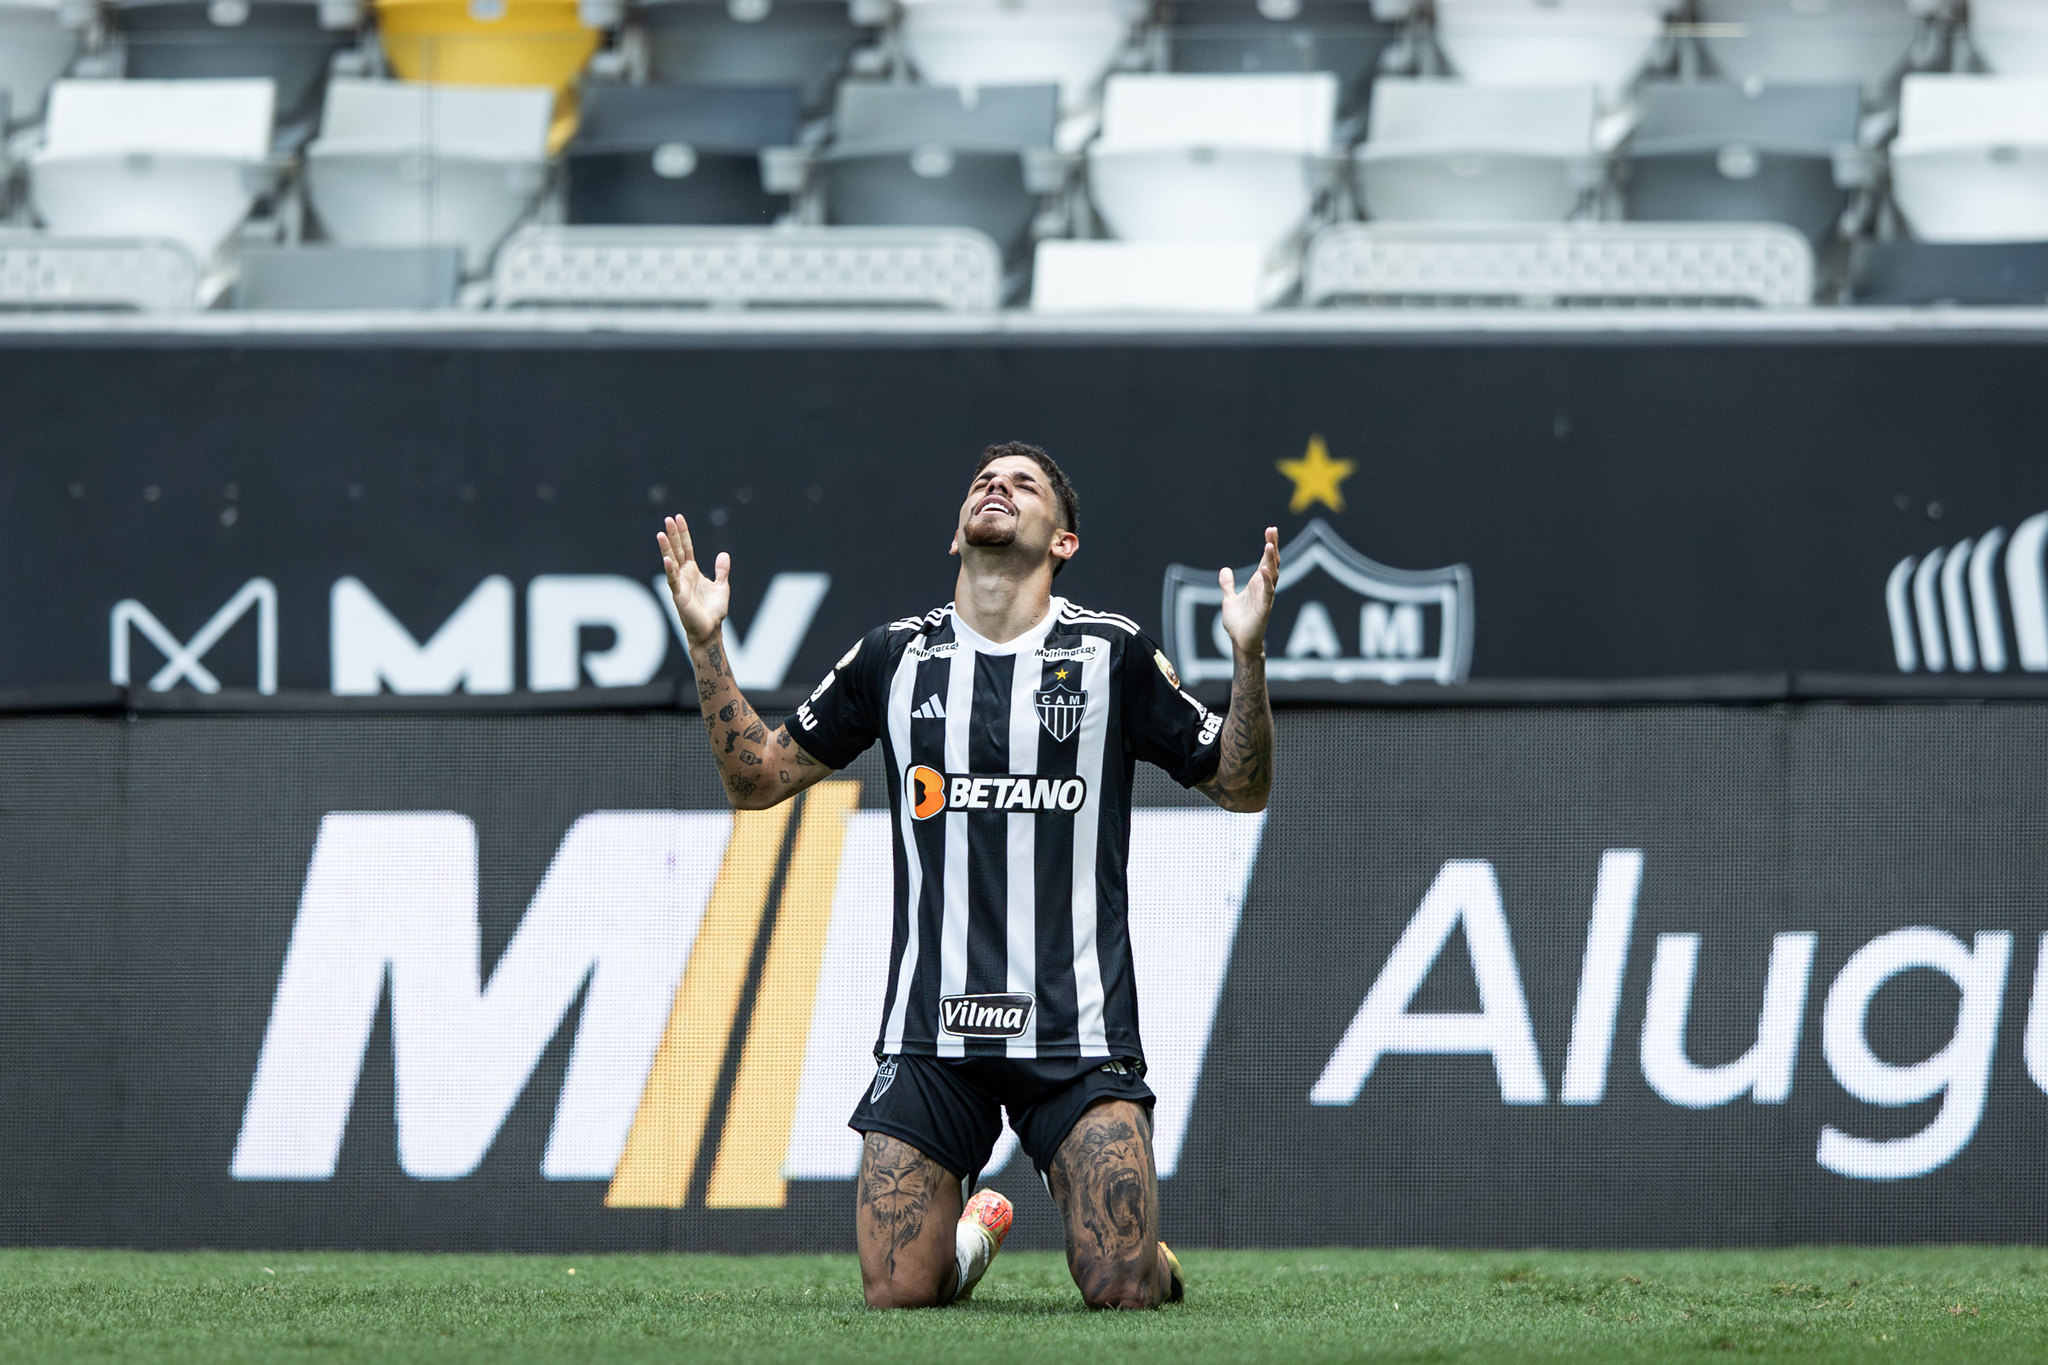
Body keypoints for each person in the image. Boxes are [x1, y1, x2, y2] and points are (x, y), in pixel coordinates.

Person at [658, 440, 1276, 1310]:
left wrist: (1248, 660)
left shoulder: (1112, 654)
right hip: (932, 1035)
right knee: (897, 1291)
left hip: (1077, 1036)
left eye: (1024, 485)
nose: (997, 487)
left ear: (1062, 542)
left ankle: (1151, 1263)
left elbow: (1242, 788)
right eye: (985, 481)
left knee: (1121, 1286)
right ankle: (978, 1236)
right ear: (957, 535)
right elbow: (756, 779)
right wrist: (705, 638)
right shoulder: (893, 658)